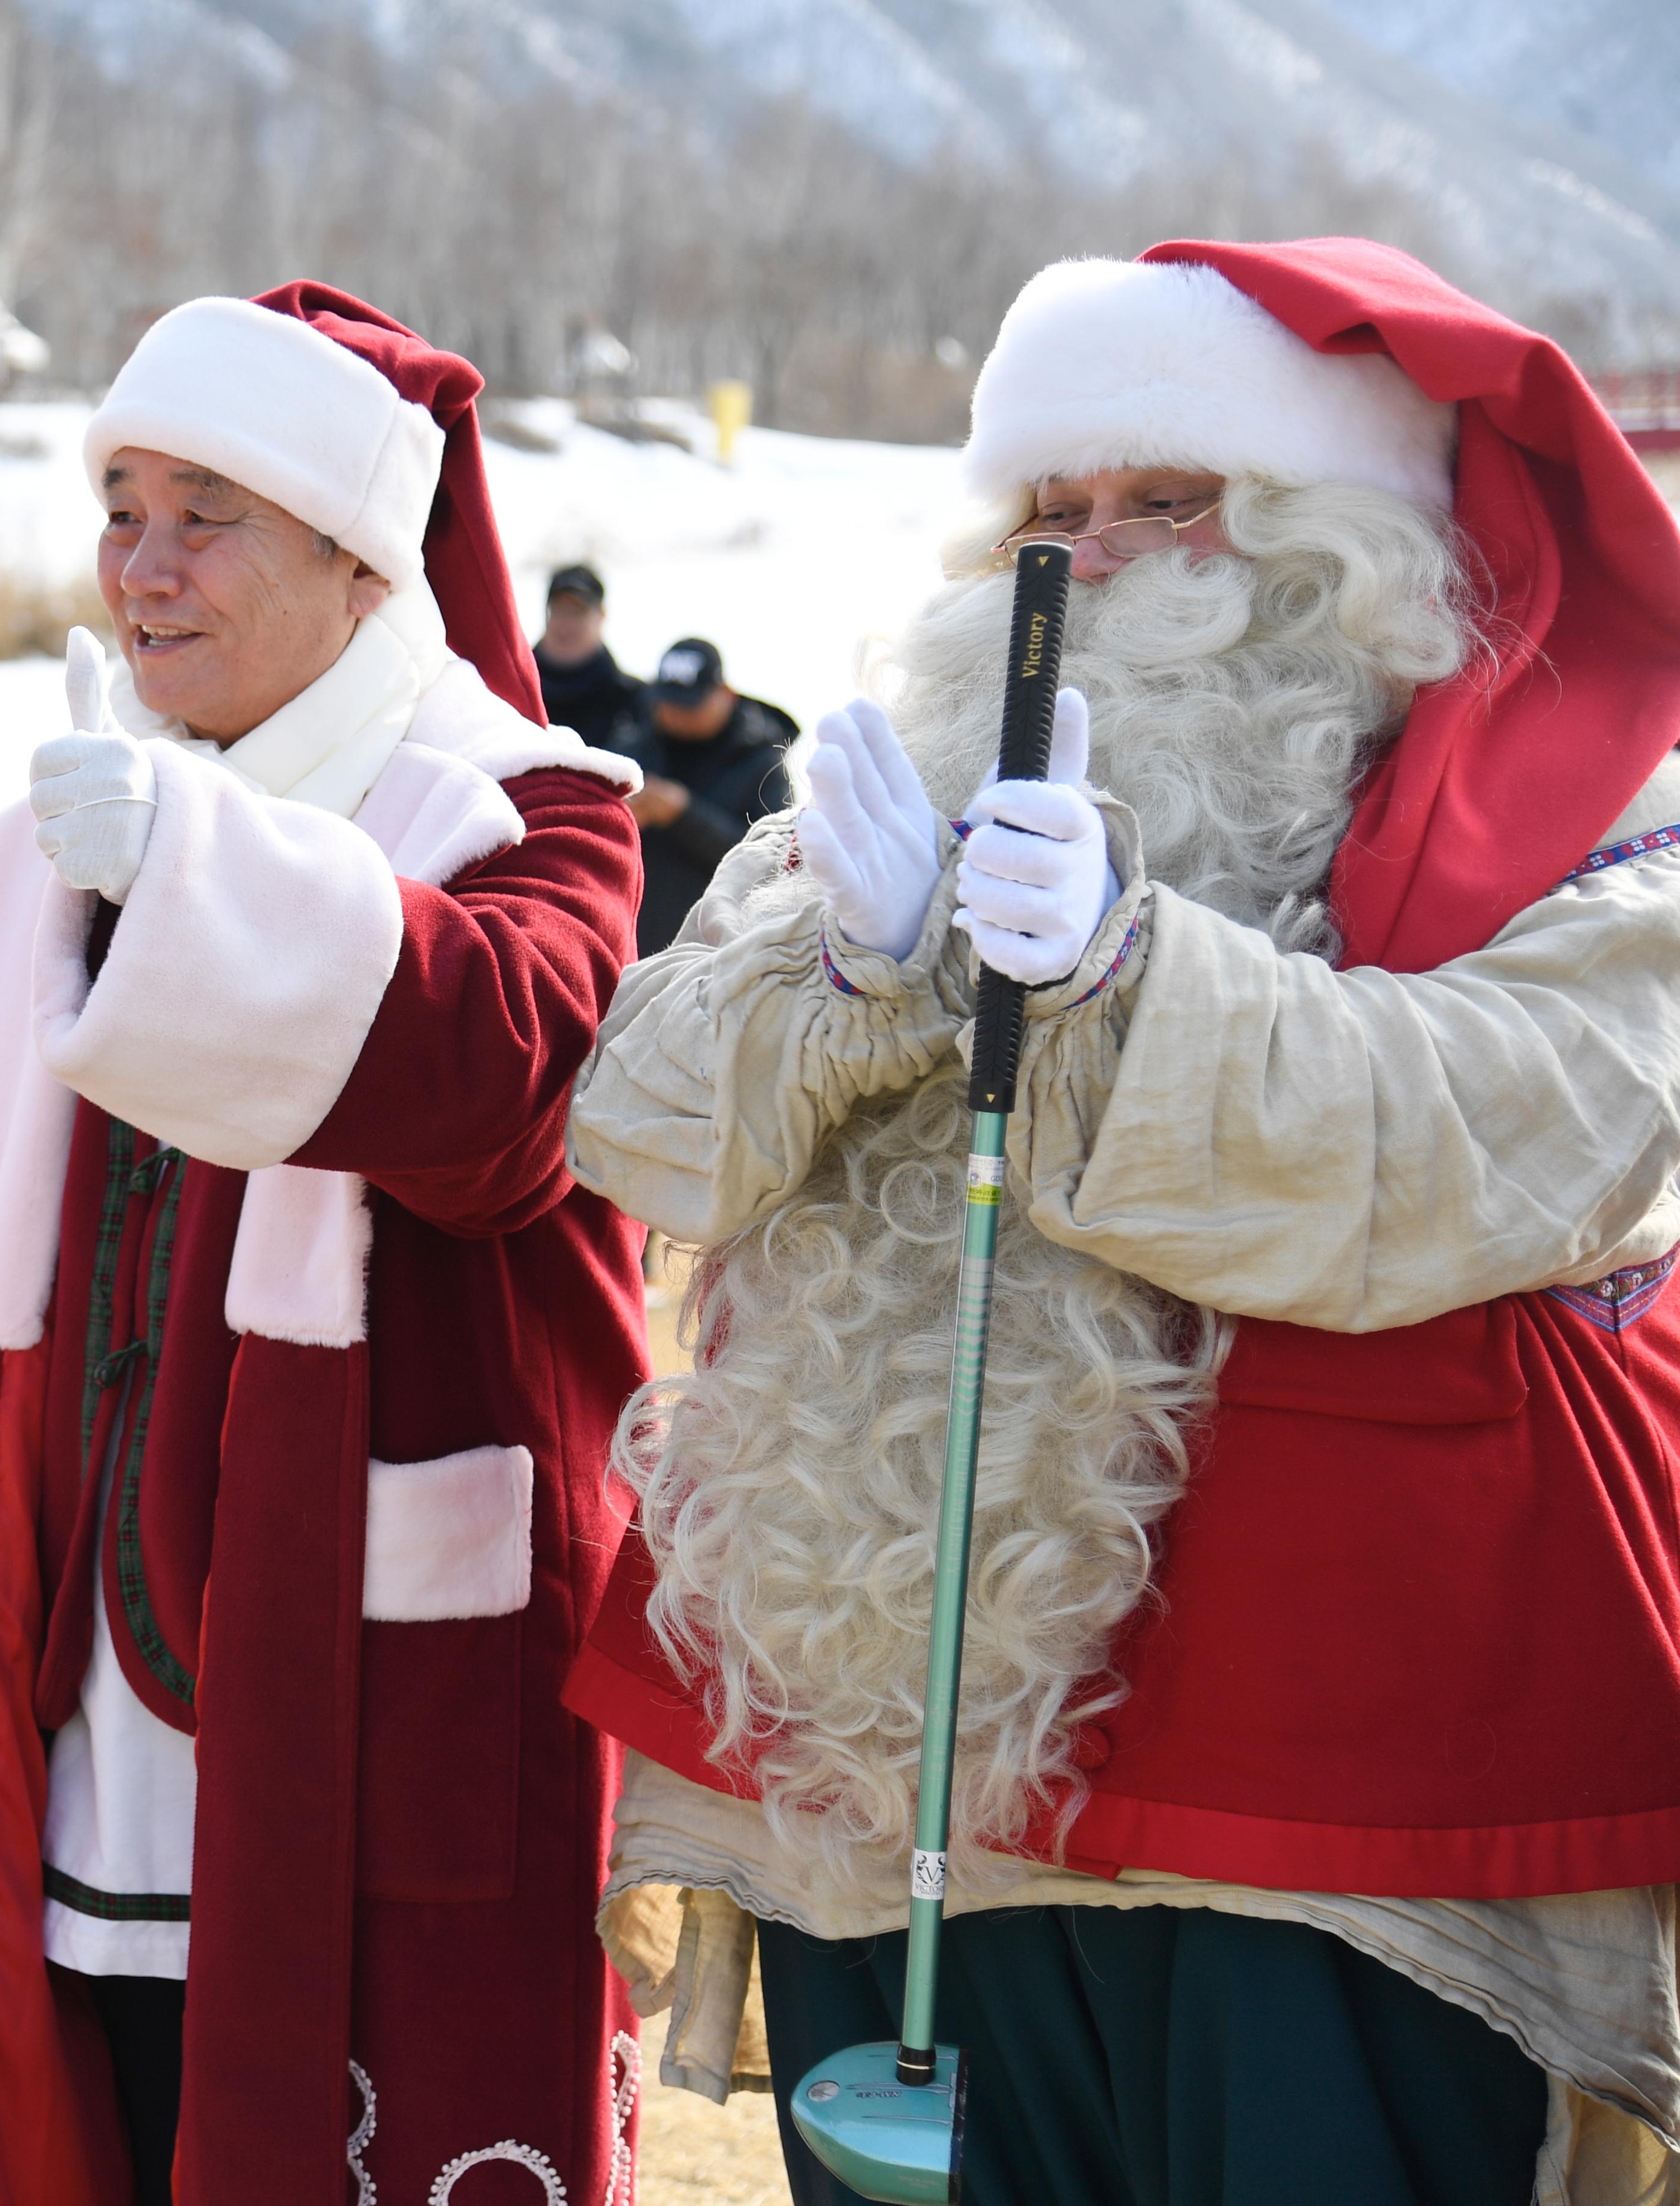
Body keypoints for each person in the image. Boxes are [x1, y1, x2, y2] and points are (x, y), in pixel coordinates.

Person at [563, 242, 1680, 2201]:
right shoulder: (882, 778)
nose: (1089, 558)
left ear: (1339, 534)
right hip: (877, 1791)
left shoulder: (1576, 813)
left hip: (1331, 1806)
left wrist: (1117, 978)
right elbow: (640, 1121)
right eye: (1044, 512)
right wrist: (857, 969)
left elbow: (1535, 1134)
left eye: (1167, 501)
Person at [0, 286, 654, 2206]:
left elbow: (501, 1093)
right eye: (117, 505)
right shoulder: (44, 841)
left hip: (369, 1688)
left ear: (355, 556)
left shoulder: (527, 813)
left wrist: (190, 874)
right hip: (84, 1704)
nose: (140, 567)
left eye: (204, 513)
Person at [610, 635, 796, 958]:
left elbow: (775, 860)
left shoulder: (763, 761)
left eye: (689, 705)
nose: (676, 714)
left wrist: (682, 814)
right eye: (667, 702)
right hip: (629, 947)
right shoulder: (632, 744)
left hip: (716, 956)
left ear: (725, 695)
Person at [533, 561, 643, 744]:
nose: (566, 626)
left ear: (601, 617)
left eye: (578, 613)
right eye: (559, 611)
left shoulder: (632, 701)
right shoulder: (511, 691)